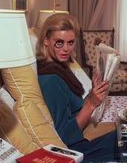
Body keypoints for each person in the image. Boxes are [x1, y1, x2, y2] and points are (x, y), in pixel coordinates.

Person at [36, 13, 117, 162]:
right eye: (59, 42)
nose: (66, 49)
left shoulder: (60, 67)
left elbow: (72, 107)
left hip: (82, 139)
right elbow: (64, 137)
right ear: (46, 41)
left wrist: (92, 94)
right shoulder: (50, 80)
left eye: (70, 42)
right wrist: (91, 104)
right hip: (77, 150)